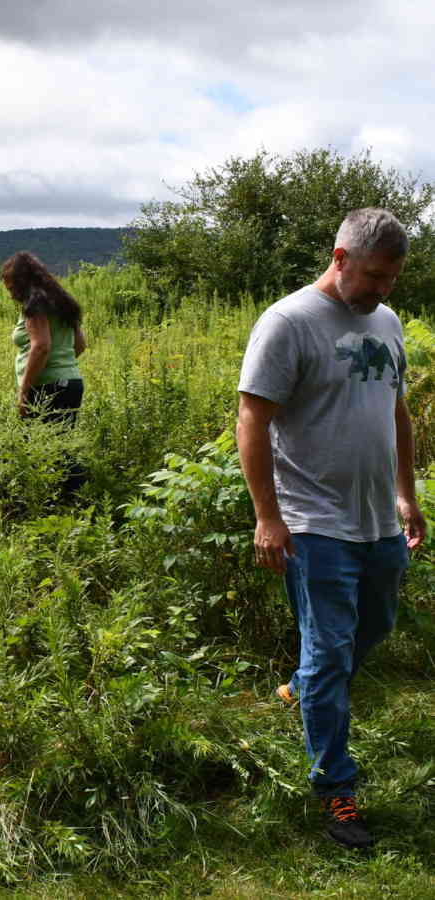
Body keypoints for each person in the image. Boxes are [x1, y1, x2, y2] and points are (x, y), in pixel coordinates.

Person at [236, 208, 426, 849]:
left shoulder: (387, 320)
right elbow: (253, 419)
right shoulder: (289, 323)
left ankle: (305, 687)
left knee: (375, 629)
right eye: (374, 276)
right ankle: (335, 789)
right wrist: (268, 515)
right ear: (340, 257)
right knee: (332, 651)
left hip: (376, 518)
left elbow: (395, 411)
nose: (382, 291)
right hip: (313, 522)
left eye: (392, 280)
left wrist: (408, 493)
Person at [2, 251, 87, 493]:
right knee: (60, 447)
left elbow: (41, 346)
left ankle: (73, 504)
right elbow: (80, 345)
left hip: (47, 388)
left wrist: (24, 391)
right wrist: (62, 367)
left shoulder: (35, 305)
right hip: (70, 383)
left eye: (9, 284)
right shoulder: (62, 302)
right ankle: (71, 507)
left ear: (19, 281)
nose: (9, 291)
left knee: (45, 449)